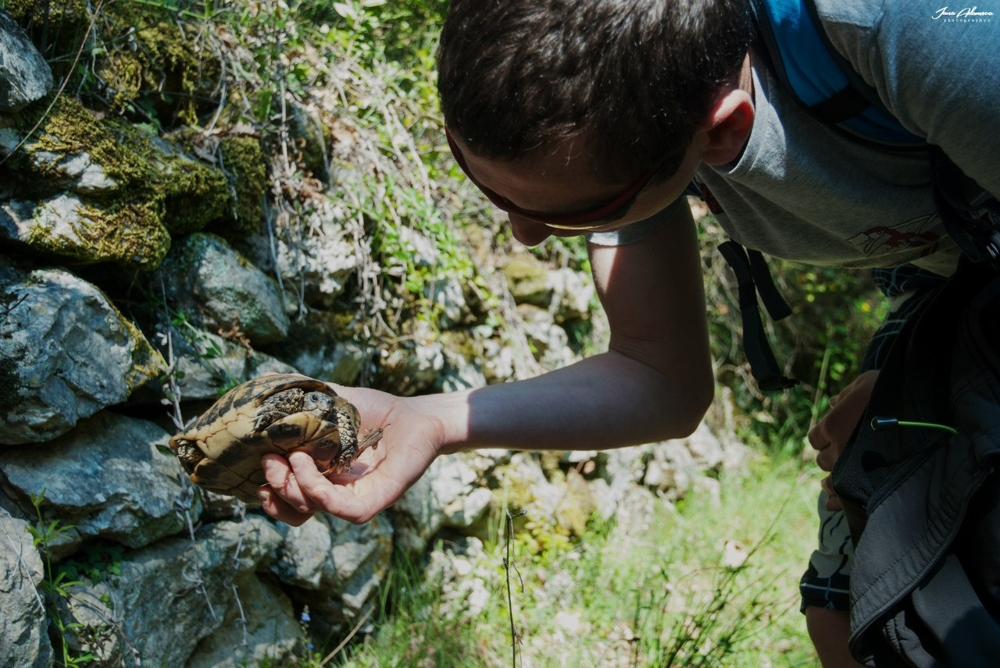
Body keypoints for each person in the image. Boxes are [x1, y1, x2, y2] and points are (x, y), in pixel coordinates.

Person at [258, 1, 1000, 664]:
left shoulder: (924, 35)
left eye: (574, 211)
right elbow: (660, 378)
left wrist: (917, 381)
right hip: (946, 294)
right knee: (842, 614)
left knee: (949, 623)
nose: (523, 235)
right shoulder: (624, 107)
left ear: (721, 132)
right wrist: (431, 419)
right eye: (484, 182)